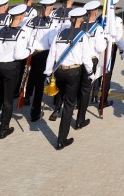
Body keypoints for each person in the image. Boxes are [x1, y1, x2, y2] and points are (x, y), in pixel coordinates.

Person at [45, 8, 96, 150]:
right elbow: (86, 58)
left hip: (59, 72)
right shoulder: (83, 36)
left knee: (61, 96)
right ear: (80, 19)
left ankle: (56, 110)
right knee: (69, 105)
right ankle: (61, 139)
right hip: (74, 72)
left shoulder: (59, 34)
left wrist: (48, 73)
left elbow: (52, 55)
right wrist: (91, 73)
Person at [0, 3, 31, 139]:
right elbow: (19, 55)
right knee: (8, 99)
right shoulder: (21, 33)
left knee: (0, 93)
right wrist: (29, 50)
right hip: (10, 68)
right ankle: (4, 128)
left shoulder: (0, 31)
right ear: (20, 17)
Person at [24, 0, 57, 122]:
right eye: (50, 7)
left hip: (32, 54)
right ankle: (35, 112)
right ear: (47, 8)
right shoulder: (51, 23)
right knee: (39, 85)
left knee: (31, 76)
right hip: (44, 55)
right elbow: (52, 42)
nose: (51, 9)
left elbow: (26, 36)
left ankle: (27, 97)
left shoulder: (32, 21)